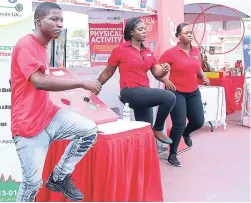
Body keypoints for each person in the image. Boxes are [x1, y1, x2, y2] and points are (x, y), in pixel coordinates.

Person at [11, 2, 102, 202]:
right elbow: (39, 82)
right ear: (38, 21)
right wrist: (81, 82)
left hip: (48, 115)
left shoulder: (42, 47)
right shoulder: (27, 45)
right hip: (28, 127)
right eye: (54, 19)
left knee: (88, 130)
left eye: (61, 20)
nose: (59, 24)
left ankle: (59, 178)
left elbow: (23, 78)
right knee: (31, 184)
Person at [97, 17, 176, 144]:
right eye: (140, 29)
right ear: (131, 32)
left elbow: (157, 73)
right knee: (169, 97)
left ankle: (143, 158)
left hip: (143, 93)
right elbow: (107, 73)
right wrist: (94, 89)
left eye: (145, 29)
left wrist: (165, 70)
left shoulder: (148, 52)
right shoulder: (120, 50)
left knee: (146, 132)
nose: (144, 31)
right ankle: (158, 129)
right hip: (129, 92)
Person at [159, 23, 210, 167]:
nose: (189, 34)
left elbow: (197, 68)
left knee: (198, 121)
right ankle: (172, 154)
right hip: (176, 91)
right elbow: (156, 68)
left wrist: (203, 77)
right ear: (178, 36)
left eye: (191, 32)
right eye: (186, 32)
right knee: (179, 124)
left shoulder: (196, 51)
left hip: (193, 91)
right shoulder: (170, 52)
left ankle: (186, 134)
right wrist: (166, 79)